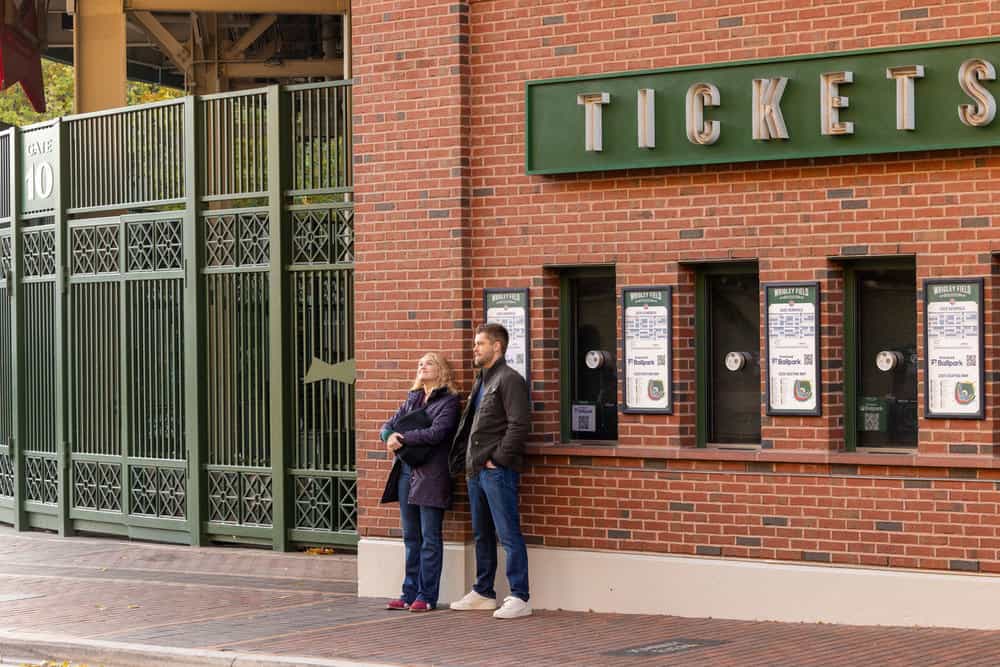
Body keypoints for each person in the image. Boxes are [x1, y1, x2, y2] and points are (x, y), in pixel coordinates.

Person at [449, 323, 532, 619]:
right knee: (482, 534)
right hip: (476, 470)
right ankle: (484, 592)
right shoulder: (482, 380)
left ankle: (520, 596)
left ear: (497, 346)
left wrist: (497, 459)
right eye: (475, 344)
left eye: (480, 344)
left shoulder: (509, 379)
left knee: (508, 534)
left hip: (496, 471)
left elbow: (519, 424)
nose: (475, 349)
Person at [379, 352, 460, 612]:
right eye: (420, 364)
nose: (422, 367)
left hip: (431, 476)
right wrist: (388, 436)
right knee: (411, 536)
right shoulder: (412, 398)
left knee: (430, 538)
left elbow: (437, 433)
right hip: (405, 473)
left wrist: (402, 438)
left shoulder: (449, 401)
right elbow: (386, 426)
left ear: (442, 370)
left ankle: (426, 596)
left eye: (429, 363)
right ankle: (408, 592)